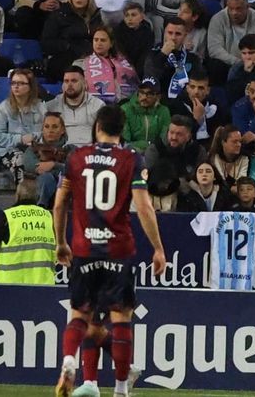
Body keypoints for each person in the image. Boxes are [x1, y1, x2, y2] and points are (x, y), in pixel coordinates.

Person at [53, 106, 168, 397]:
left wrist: (60, 242)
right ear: (122, 128)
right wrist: (158, 248)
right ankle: (119, 390)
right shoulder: (131, 159)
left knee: (80, 315)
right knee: (121, 318)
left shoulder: (76, 158)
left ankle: (70, 361)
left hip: (84, 248)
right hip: (118, 249)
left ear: (97, 126)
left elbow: (59, 203)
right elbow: (143, 207)